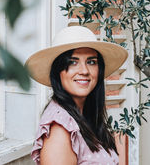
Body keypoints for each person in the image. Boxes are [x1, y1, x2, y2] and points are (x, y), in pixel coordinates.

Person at [26, 26, 128, 165]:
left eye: (91, 62)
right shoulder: (60, 130)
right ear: (58, 71)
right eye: (73, 62)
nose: (84, 71)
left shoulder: (85, 116)